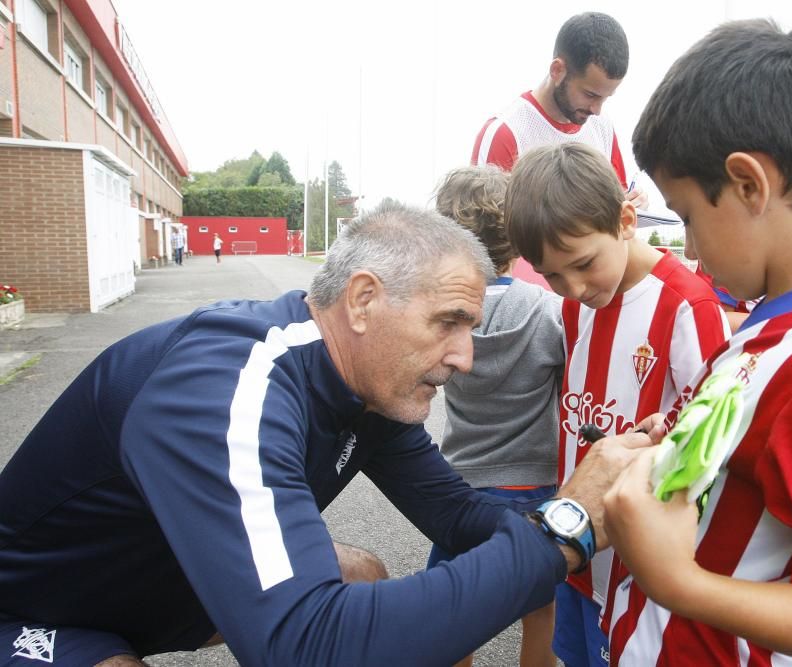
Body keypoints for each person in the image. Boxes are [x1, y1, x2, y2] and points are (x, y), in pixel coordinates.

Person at [0, 203, 650, 667]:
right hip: (37, 614)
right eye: (448, 321)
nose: (464, 356)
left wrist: (588, 511)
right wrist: (561, 534)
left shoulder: (368, 389)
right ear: (363, 300)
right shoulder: (231, 386)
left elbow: (456, 514)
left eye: (469, 327)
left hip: (170, 585)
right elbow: (301, 644)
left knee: (362, 577)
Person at [601, 19, 792, 667]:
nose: (686, 246)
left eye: (688, 216)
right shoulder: (785, 315)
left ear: (749, 183)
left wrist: (677, 583)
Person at [505, 142, 729, 667]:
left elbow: (717, 440)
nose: (574, 287)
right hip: (578, 554)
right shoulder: (572, 307)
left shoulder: (687, 305)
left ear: (625, 220)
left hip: (642, 571)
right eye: (554, 274)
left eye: (583, 264)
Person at [426, 165, 564, 667]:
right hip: (534, 484)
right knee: (541, 606)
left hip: (461, 486)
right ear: (520, 237)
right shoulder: (549, 313)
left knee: (455, 609)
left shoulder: (445, 314)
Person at [472, 11, 647, 212]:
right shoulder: (506, 133)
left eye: (606, 98)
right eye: (590, 94)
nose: (597, 110)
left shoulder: (601, 126)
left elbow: (617, 209)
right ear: (557, 70)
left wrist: (632, 205)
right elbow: (485, 231)